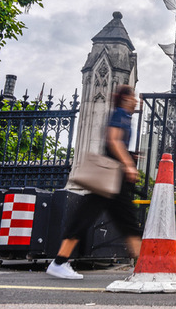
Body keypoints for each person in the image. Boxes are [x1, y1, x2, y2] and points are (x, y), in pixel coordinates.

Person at [46, 85, 142, 279]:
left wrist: (130, 157)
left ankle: (59, 262)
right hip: (112, 178)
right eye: (133, 98)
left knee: (95, 218)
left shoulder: (123, 116)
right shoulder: (120, 115)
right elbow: (113, 141)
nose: (136, 101)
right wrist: (128, 164)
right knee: (125, 221)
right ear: (125, 99)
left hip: (112, 179)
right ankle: (144, 267)